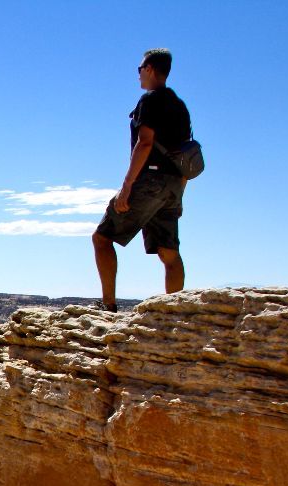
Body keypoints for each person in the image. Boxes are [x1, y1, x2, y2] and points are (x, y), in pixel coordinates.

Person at [92, 48, 192, 311]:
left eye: (139, 70)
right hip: (174, 184)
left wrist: (126, 189)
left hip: (151, 180)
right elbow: (188, 154)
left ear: (149, 69)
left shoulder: (150, 101)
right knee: (168, 252)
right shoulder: (180, 107)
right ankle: (175, 311)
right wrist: (179, 192)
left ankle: (108, 306)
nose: (138, 75)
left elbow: (145, 143)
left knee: (101, 238)